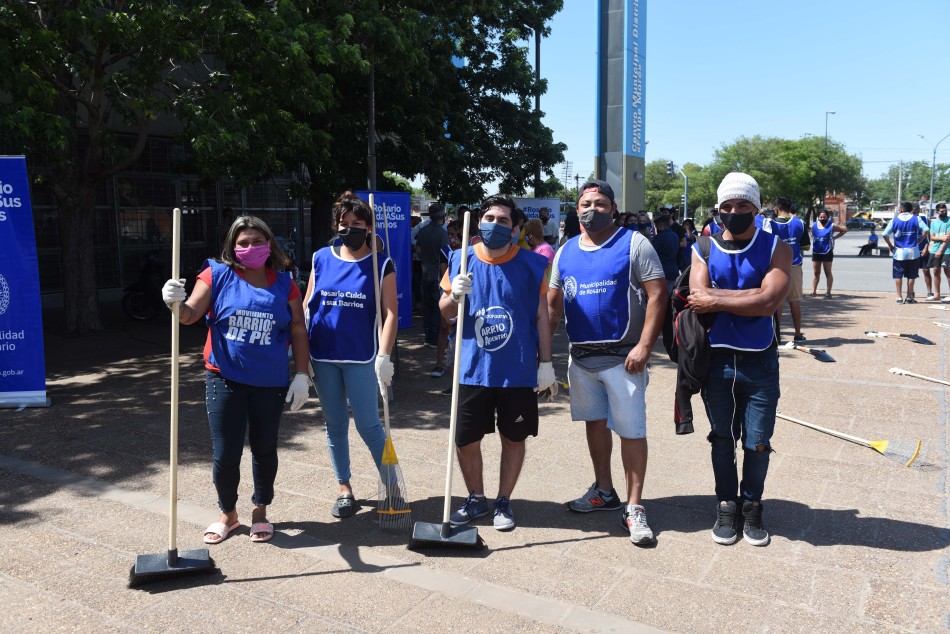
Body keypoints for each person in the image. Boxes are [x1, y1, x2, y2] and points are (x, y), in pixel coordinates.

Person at [162, 215, 311, 545]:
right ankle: (228, 514)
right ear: (232, 247)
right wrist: (173, 302)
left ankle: (261, 510)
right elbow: (189, 315)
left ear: (269, 244)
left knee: (264, 448)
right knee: (226, 452)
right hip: (224, 378)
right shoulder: (217, 274)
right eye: (242, 243)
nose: (250, 247)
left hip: (270, 382)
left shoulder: (284, 283)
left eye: (257, 241)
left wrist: (302, 374)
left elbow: (298, 328)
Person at [547, 179, 667, 545]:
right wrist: (541, 358)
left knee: (631, 431)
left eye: (600, 204)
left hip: (623, 359)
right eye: (586, 203)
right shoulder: (565, 250)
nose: (591, 209)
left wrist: (645, 347)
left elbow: (658, 295)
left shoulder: (634, 243)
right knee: (594, 425)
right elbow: (551, 304)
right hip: (582, 359)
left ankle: (634, 507)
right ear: (577, 208)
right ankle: (604, 490)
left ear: (613, 208)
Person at [439, 194, 555, 531]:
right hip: (471, 368)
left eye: (503, 220)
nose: (494, 225)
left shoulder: (532, 264)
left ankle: (503, 500)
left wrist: (546, 362)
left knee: (514, 438)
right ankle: (476, 496)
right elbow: (445, 315)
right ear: (478, 222)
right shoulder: (461, 259)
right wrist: (453, 295)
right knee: (465, 439)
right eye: (489, 218)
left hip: (516, 371)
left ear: (516, 228)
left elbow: (541, 316)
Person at [688, 172, 791, 547]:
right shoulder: (703, 247)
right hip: (716, 362)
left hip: (760, 362)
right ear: (718, 210)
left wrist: (719, 299)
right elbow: (697, 297)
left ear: (756, 207)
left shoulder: (776, 246)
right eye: (727, 206)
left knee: (758, 442)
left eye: (743, 205)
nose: (734, 212)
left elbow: (769, 303)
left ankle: (752, 504)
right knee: (721, 439)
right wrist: (749, 298)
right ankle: (726, 503)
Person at [304, 192, 398, 519]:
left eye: (357, 224)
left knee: (370, 426)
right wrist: (301, 363)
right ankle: (344, 488)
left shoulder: (380, 264)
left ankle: (392, 484)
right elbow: (307, 306)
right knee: (334, 424)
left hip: (361, 357)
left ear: (369, 227)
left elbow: (390, 315)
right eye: (343, 224)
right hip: (323, 356)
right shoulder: (320, 258)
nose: (349, 229)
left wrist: (384, 356)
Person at [763, 197, 809, 341]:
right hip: (794, 266)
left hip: (776, 266)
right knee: (794, 301)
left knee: (778, 302)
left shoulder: (769, 224)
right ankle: (798, 333)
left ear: (776, 210)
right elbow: (806, 246)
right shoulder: (799, 223)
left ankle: (777, 335)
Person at [415, 203, 449, 350]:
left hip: (425, 273)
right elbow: (445, 256)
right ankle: (434, 339)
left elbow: (418, 250)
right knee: (436, 307)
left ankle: (428, 337)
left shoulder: (423, 232)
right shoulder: (442, 233)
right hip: (437, 276)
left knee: (427, 307)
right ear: (443, 216)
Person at [882, 201, 930, 304]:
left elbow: (885, 234)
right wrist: (920, 240)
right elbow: (926, 230)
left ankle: (899, 297)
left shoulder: (894, 220)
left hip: (899, 251)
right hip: (913, 251)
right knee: (912, 275)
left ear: (901, 209)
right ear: (911, 209)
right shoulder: (916, 219)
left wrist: (890, 245)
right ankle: (909, 297)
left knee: (898, 275)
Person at [809, 210, 847, 297]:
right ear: (818, 217)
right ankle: (813, 291)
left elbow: (844, 230)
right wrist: (812, 234)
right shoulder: (814, 225)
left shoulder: (831, 225)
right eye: (821, 217)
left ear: (828, 217)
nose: (822, 218)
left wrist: (834, 238)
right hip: (816, 251)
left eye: (824, 217)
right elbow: (811, 232)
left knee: (827, 272)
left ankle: (828, 292)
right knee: (816, 272)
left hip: (827, 251)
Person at [927, 203, 950, 302]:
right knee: (936, 271)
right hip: (934, 250)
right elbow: (931, 237)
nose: (944, 212)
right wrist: (940, 238)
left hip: (946, 250)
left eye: (945, 210)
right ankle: (937, 294)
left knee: (947, 272)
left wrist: (940, 251)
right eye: (942, 211)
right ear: (937, 212)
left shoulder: (949, 221)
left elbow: (948, 238)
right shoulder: (933, 223)